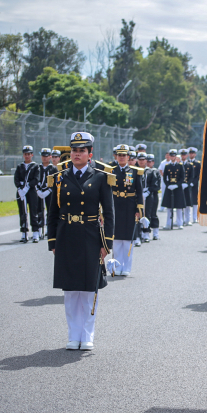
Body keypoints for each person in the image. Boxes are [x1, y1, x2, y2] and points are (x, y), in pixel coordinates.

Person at [47, 131, 114, 351]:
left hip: (90, 237)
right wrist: (53, 241)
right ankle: (72, 334)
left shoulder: (101, 177)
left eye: (81, 151)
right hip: (66, 237)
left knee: (87, 290)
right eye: (74, 150)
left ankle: (86, 335)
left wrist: (106, 245)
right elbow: (53, 213)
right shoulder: (60, 178)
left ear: (89, 154)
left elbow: (110, 213)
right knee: (70, 291)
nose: (77, 154)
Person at [110, 144, 145, 276]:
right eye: (119, 155)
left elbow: (139, 192)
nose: (122, 157)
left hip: (130, 208)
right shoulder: (111, 171)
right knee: (117, 240)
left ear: (128, 157)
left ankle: (126, 267)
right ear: (116, 157)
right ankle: (117, 267)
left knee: (128, 240)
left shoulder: (135, 171)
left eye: (124, 155)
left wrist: (139, 210)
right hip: (115, 207)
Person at [14, 145, 40, 243]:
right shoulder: (20, 166)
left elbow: (36, 179)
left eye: (29, 154)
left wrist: (28, 186)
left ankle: (35, 233)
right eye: (25, 154)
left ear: (32, 155)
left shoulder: (35, 166)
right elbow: (16, 179)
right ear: (23, 155)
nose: (27, 156)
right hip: (21, 192)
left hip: (31, 191)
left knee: (33, 211)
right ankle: (24, 232)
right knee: (22, 212)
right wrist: (20, 189)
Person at [36, 148, 58, 238]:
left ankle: (50, 230)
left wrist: (49, 190)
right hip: (39, 191)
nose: (44, 158)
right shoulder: (37, 168)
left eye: (46, 156)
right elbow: (35, 179)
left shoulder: (53, 168)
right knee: (39, 211)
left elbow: (56, 180)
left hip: (50, 192)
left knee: (50, 211)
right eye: (43, 156)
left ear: (50, 157)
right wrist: (38, 190)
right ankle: (39, 229)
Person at [161, 149, 186, 229]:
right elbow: (165, 178)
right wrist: (168, 185)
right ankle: (168, 223)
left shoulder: (180, 165)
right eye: (171, 155)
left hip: (177, 188)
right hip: (170, 187)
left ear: (175, 156)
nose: (172, 157)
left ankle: (179, 223)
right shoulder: (167, 166)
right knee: (169, 207)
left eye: (173, 155)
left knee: (179, 207)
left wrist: (177, 185)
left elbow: (182, 177)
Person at [145, 154, 161, 240]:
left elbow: (157, 186)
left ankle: (156, 233)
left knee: (153, 214)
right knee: (146, 215)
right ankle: (146, 233)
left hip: (153, 195)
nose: (148, 163)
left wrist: (149, 190)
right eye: (147, 161)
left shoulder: (155, 171)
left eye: (150, 161)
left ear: (153, 162)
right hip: (146, 195)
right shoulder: (144, 171)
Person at [179, 148, 194, 226]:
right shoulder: (179, 164)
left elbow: (192, 176)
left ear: (187, 155)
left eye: (185, 155)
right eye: (182, 155)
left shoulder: (190, 165)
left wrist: (188, 183)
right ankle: (180, 220)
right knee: (180, 203)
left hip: (187, 186)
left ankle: (188, 219)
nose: (183, 156)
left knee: (188, 203)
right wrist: (180, 183)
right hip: (180, 186)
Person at [188, 147, 201, 223]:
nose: (191, 154)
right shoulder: (186, 162)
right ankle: (188, 218)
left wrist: (194, 182)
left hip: (195, 184)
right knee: (188, 200)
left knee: (195, 201)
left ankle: (195, 217)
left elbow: (199, 175)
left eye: (193, 153)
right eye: (190, 153)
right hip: (187, 184)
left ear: (195, 154)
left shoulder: (197, 163)